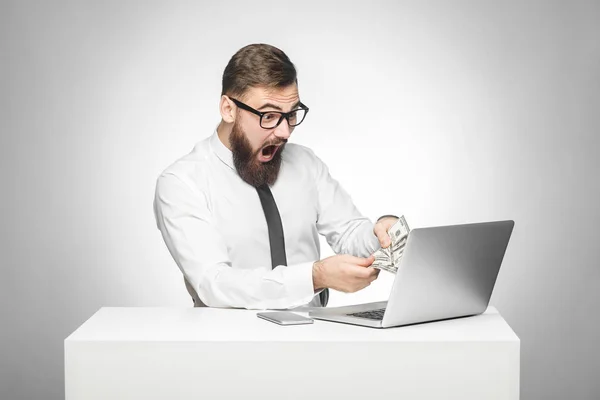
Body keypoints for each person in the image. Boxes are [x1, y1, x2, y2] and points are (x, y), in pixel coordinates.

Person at [153, 43, 399, 309]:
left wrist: (383, 234)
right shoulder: (182, 183)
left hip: (314, 334)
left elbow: (349, 233)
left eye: (291, 114)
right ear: (228, 109)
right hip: (230, 342)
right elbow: (214, 283)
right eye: (269, 116)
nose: (284, 132)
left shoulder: (305, 163)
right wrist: (314, 277)